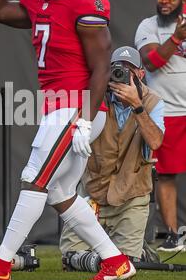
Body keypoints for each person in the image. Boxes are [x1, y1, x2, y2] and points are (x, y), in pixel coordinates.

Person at [0, 0, 136, 280]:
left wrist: (85, 118)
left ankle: (0, 267)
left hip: (76, 107)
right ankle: (115, 261)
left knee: (34, 178)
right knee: (59, 192)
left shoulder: (87, 3)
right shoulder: (36, 1)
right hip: (59, 108)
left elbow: (101, 67)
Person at [60, 46, 164, 261]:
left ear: (141, 74)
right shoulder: (94, 97)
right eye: (116, 69)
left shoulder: (153, 101)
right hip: (92, 195)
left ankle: (138, 251)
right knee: (72, 259)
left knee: (124, 263)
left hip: (130, 197)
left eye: (128, 70)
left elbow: (155, 142)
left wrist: (137, 105)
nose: (121, 75)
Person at [135, 0, 186, 251]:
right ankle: (173, 235)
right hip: (169, 112)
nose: (164, 3)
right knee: (166, 174)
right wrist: (177, 38)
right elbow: (151, 62)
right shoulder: (149, 26)